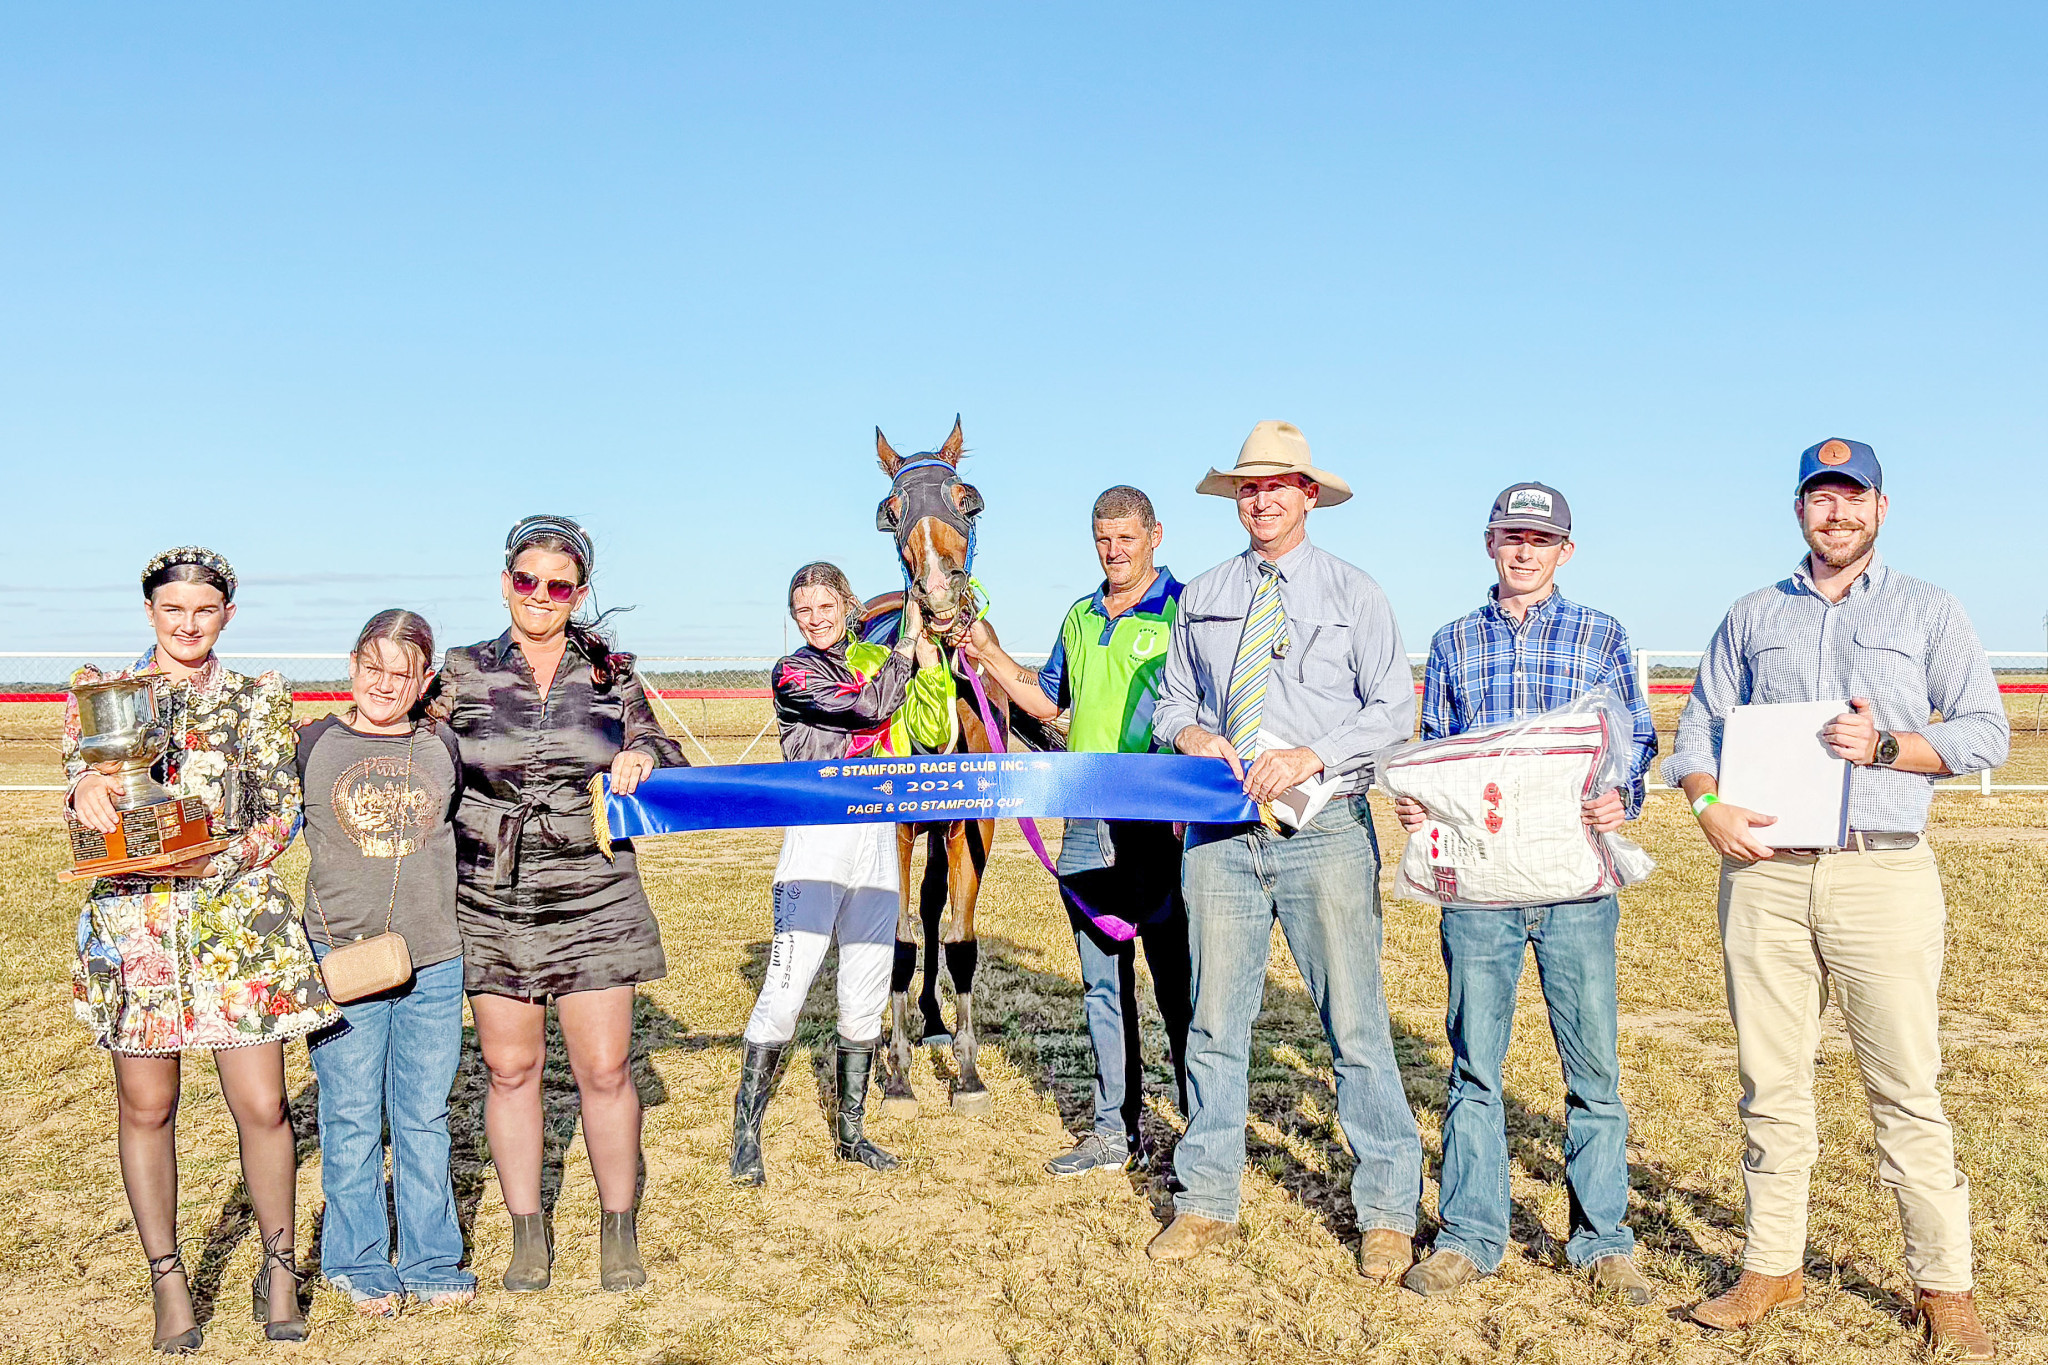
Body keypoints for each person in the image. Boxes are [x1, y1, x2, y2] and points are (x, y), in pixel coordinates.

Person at [1666, 440, 2008, 1359]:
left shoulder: (1929, 609)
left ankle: (1944, 1285)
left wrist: (1889, 746)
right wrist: (1708, 806)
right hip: (1765, 876)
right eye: (1822, 499)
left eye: (1853, 498)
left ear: (1881, 510)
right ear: (1800, 511)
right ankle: (1770, 1264)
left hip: (1881, 872)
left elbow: (1985, 731)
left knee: (1906, 1086)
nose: (1837, 514)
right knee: (1771, 1083)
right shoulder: (1750, 615)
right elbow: (1695, 732)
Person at [1146, 421, 1422, 1280]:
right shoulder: (1203, 595)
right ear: (1237, 499)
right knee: (1216, 1023)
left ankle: (1385, 1209)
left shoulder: (1356, 593)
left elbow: (1392, 709)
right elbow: (1171, 701)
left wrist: (1314, 754)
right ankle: (1205, 1199)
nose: (1262, 499)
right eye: (1248, 488)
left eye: (1278, 486)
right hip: (1222, 835)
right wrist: (1191, 732)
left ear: (1309, 495)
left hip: (1327, 832)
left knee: (1355, 1023)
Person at [1391, 483, 1657, 1302]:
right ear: (1489, 542)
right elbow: (1437, 750)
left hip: (1576, 886)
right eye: (1512, 535)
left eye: (1542, 539)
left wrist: (1626, 796)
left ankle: (1604, 1236)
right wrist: (1416, 798)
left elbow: (1634, 740)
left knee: (1594, 1070)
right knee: (1476, 1066)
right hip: (1481, 892)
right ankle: (1470, 1233)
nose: (1526, 550)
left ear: (1565, 550)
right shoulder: (1452, 642)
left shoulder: (1602, 634)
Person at [65, 546, 331, 1351]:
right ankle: (169, 1279)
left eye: (203, 610)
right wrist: (80, 792)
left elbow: (283, 812)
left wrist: (221, 858)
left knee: (263, 1105)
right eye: (172, 609)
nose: (187, 623)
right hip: (136, 931)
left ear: (226, 617)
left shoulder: (257, 698)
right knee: (147, 1106)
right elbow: (85, 818)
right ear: (149, 610)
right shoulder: (99, 697)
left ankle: (280, 1266)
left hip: (234, 928)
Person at [430, 514, 687, 1294]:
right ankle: (527, 1232)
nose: (540, 596)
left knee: (604, 1068)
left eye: (558, 584)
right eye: (526, 580)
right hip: (488, 887)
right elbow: (403, 743)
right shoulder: (463, 670)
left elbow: (662, 747)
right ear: (505, 579)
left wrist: (642, 753)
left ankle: (618, 1226)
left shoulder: (613, 672)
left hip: (593, 885)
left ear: (579, 592)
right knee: (511, 1069)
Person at [964, 485, 1193, 1177]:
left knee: (1180, 984)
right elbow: (1048, 699)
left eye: (1126, 536)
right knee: (1100, 985)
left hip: (1163, 823)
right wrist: (987, 654)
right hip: (1086, 824)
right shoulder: (1080, 615)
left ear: (1157, 533)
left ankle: (1204, 1130)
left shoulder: (1187, 610)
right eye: (1103, 538)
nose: (1114, 550)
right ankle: (1111, 1132)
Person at [730, 564, 951, 1184]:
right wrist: (908, 648)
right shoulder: (794, 672)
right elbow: (867, 709)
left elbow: (923, 729)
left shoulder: (874, 657)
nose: (816, 618)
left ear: (846, 604)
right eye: (804, 609)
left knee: (866, 984)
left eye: (826, 605)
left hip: (878, 834)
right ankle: (746, 1136)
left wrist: (924, 651)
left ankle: (852, 1131)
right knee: (788, 985)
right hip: (816, 838)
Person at [297, 610, 476, 1315]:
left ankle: (433, 1257)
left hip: (434, 959)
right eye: (372, 667)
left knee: (424, 1111)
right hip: (340, 960)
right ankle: (358, 1257)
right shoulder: (312, 744)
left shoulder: (442, 746)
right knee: (347, 1111)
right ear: (351, 665)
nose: (384, 683)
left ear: (423, 679)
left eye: (401, 673)